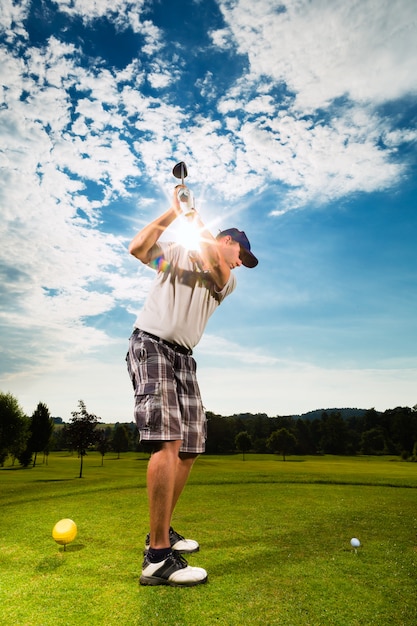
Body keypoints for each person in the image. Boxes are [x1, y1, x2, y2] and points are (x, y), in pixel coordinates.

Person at [126, 184, 258, 587]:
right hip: (151, 343)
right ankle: (158, 558)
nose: (240, 264)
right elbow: (138, 247)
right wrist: (172, 212)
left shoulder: (226, 280)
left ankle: (160, 531)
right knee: (167, 442)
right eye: (241, 255)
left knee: (190, 448)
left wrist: (193, 215)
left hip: (184, 358)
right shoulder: (178, 256)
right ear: (226, 242)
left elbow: (215, 268)